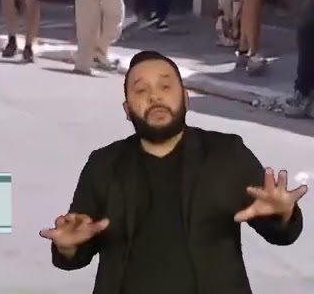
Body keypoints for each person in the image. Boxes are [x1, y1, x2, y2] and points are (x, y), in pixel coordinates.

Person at [42, 50, 305, 291]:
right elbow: (77, 247)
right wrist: (67, 247)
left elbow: (281, 233)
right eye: (141, 90)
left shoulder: (227, 153)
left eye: (165, 86)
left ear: (186, 99)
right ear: (127, 110)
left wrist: (283, 214)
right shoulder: (104, 164)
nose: (155, 96)